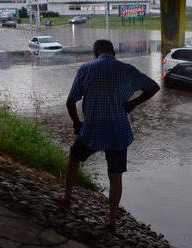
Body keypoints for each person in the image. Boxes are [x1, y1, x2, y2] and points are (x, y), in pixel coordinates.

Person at [63, 39, 160, 226]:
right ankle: (112, 219)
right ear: (113, 52)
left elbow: (70, 101)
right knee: (115, 176)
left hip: (91, 130)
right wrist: (133, 103)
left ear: (96, 51)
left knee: (74, 159)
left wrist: (77, 124)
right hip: (118, 130)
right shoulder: (128, 70)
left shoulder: (86, 69)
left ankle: (67, 196)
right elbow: (154, 87)